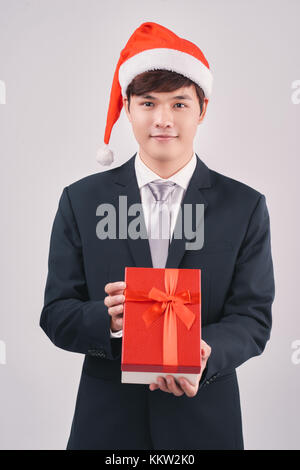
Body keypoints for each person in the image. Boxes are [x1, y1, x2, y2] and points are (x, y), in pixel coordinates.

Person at [40, 22, 275, 450]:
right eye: (148, 102)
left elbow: (254, 318)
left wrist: (205, 353)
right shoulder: (82, 201)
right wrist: (107, 321)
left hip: (205, 423)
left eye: (179, 104)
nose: (163, 119)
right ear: (128, 108)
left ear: (202, 109)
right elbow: (56, 312)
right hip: (106, 426)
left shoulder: (244, 207)